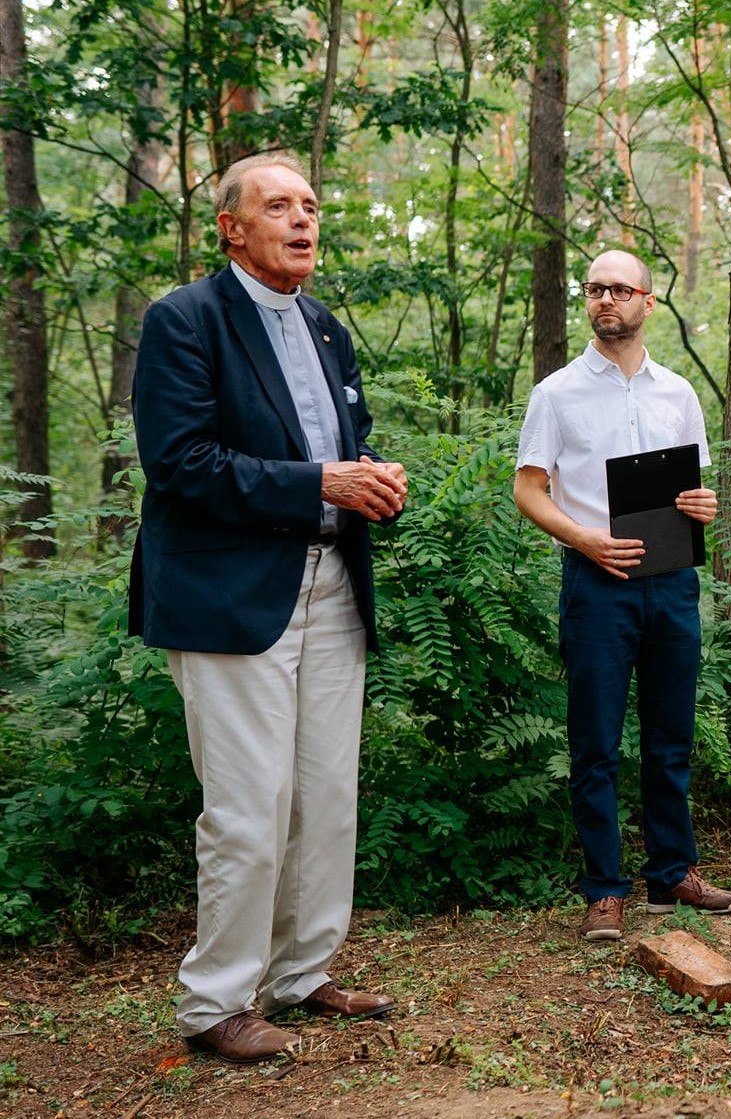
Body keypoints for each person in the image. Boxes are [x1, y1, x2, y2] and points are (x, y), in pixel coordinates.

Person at [130, 153, 408, 1062]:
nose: (302, 220)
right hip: (228, 593)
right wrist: (318, 480)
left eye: (312, 206)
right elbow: (180, 464)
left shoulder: (326, 326)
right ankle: (215, 1003)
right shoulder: (184, 320)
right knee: (249, 808)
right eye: (278, 205)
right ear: (231, 227)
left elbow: (340, 445)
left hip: (334, 583)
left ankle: (302, 971)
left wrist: (371, 477)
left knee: (326, 797)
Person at [514, 249, 731, 941]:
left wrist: (703, 506)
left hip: (673, 580)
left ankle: (672, 873)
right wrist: (585, 539)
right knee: (596, 742)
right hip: (597, 584)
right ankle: (604, 889)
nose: (604, 299)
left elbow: (693, 490)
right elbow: (529, 489)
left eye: (619, 288)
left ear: (648, 301)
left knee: (671, 735)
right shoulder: (556, 393)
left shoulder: (677, 392)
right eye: (594, 289)